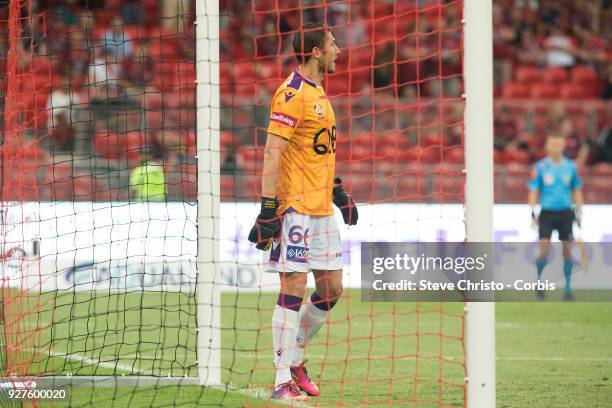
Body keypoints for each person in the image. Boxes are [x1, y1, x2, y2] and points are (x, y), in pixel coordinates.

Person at [247, 22, 358, 401]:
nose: (338, 49)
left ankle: (295, 358)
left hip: (322, 207)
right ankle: (281, 380)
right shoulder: (291, 93)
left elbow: (315, 149)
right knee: (293, 287)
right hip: (295, 208)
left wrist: (338, 189)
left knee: (331, 289)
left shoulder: (319, 92)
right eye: (332, 44)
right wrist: (268, 209)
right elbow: (273, 151)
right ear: (314, 51)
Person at [528, 134, 584, 300]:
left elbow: (576, 190)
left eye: (559, 145)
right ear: (548, 147)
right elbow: (534, 191)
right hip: (547, 213)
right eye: (553, 145)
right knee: (544, 249)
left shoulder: (570, 167)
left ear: (563, 146)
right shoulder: (540, 167)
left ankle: (567, 289)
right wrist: (532, 214)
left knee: (567, 251)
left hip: (566, 212)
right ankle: (539, 284)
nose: (556, 148)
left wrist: (579, 212)